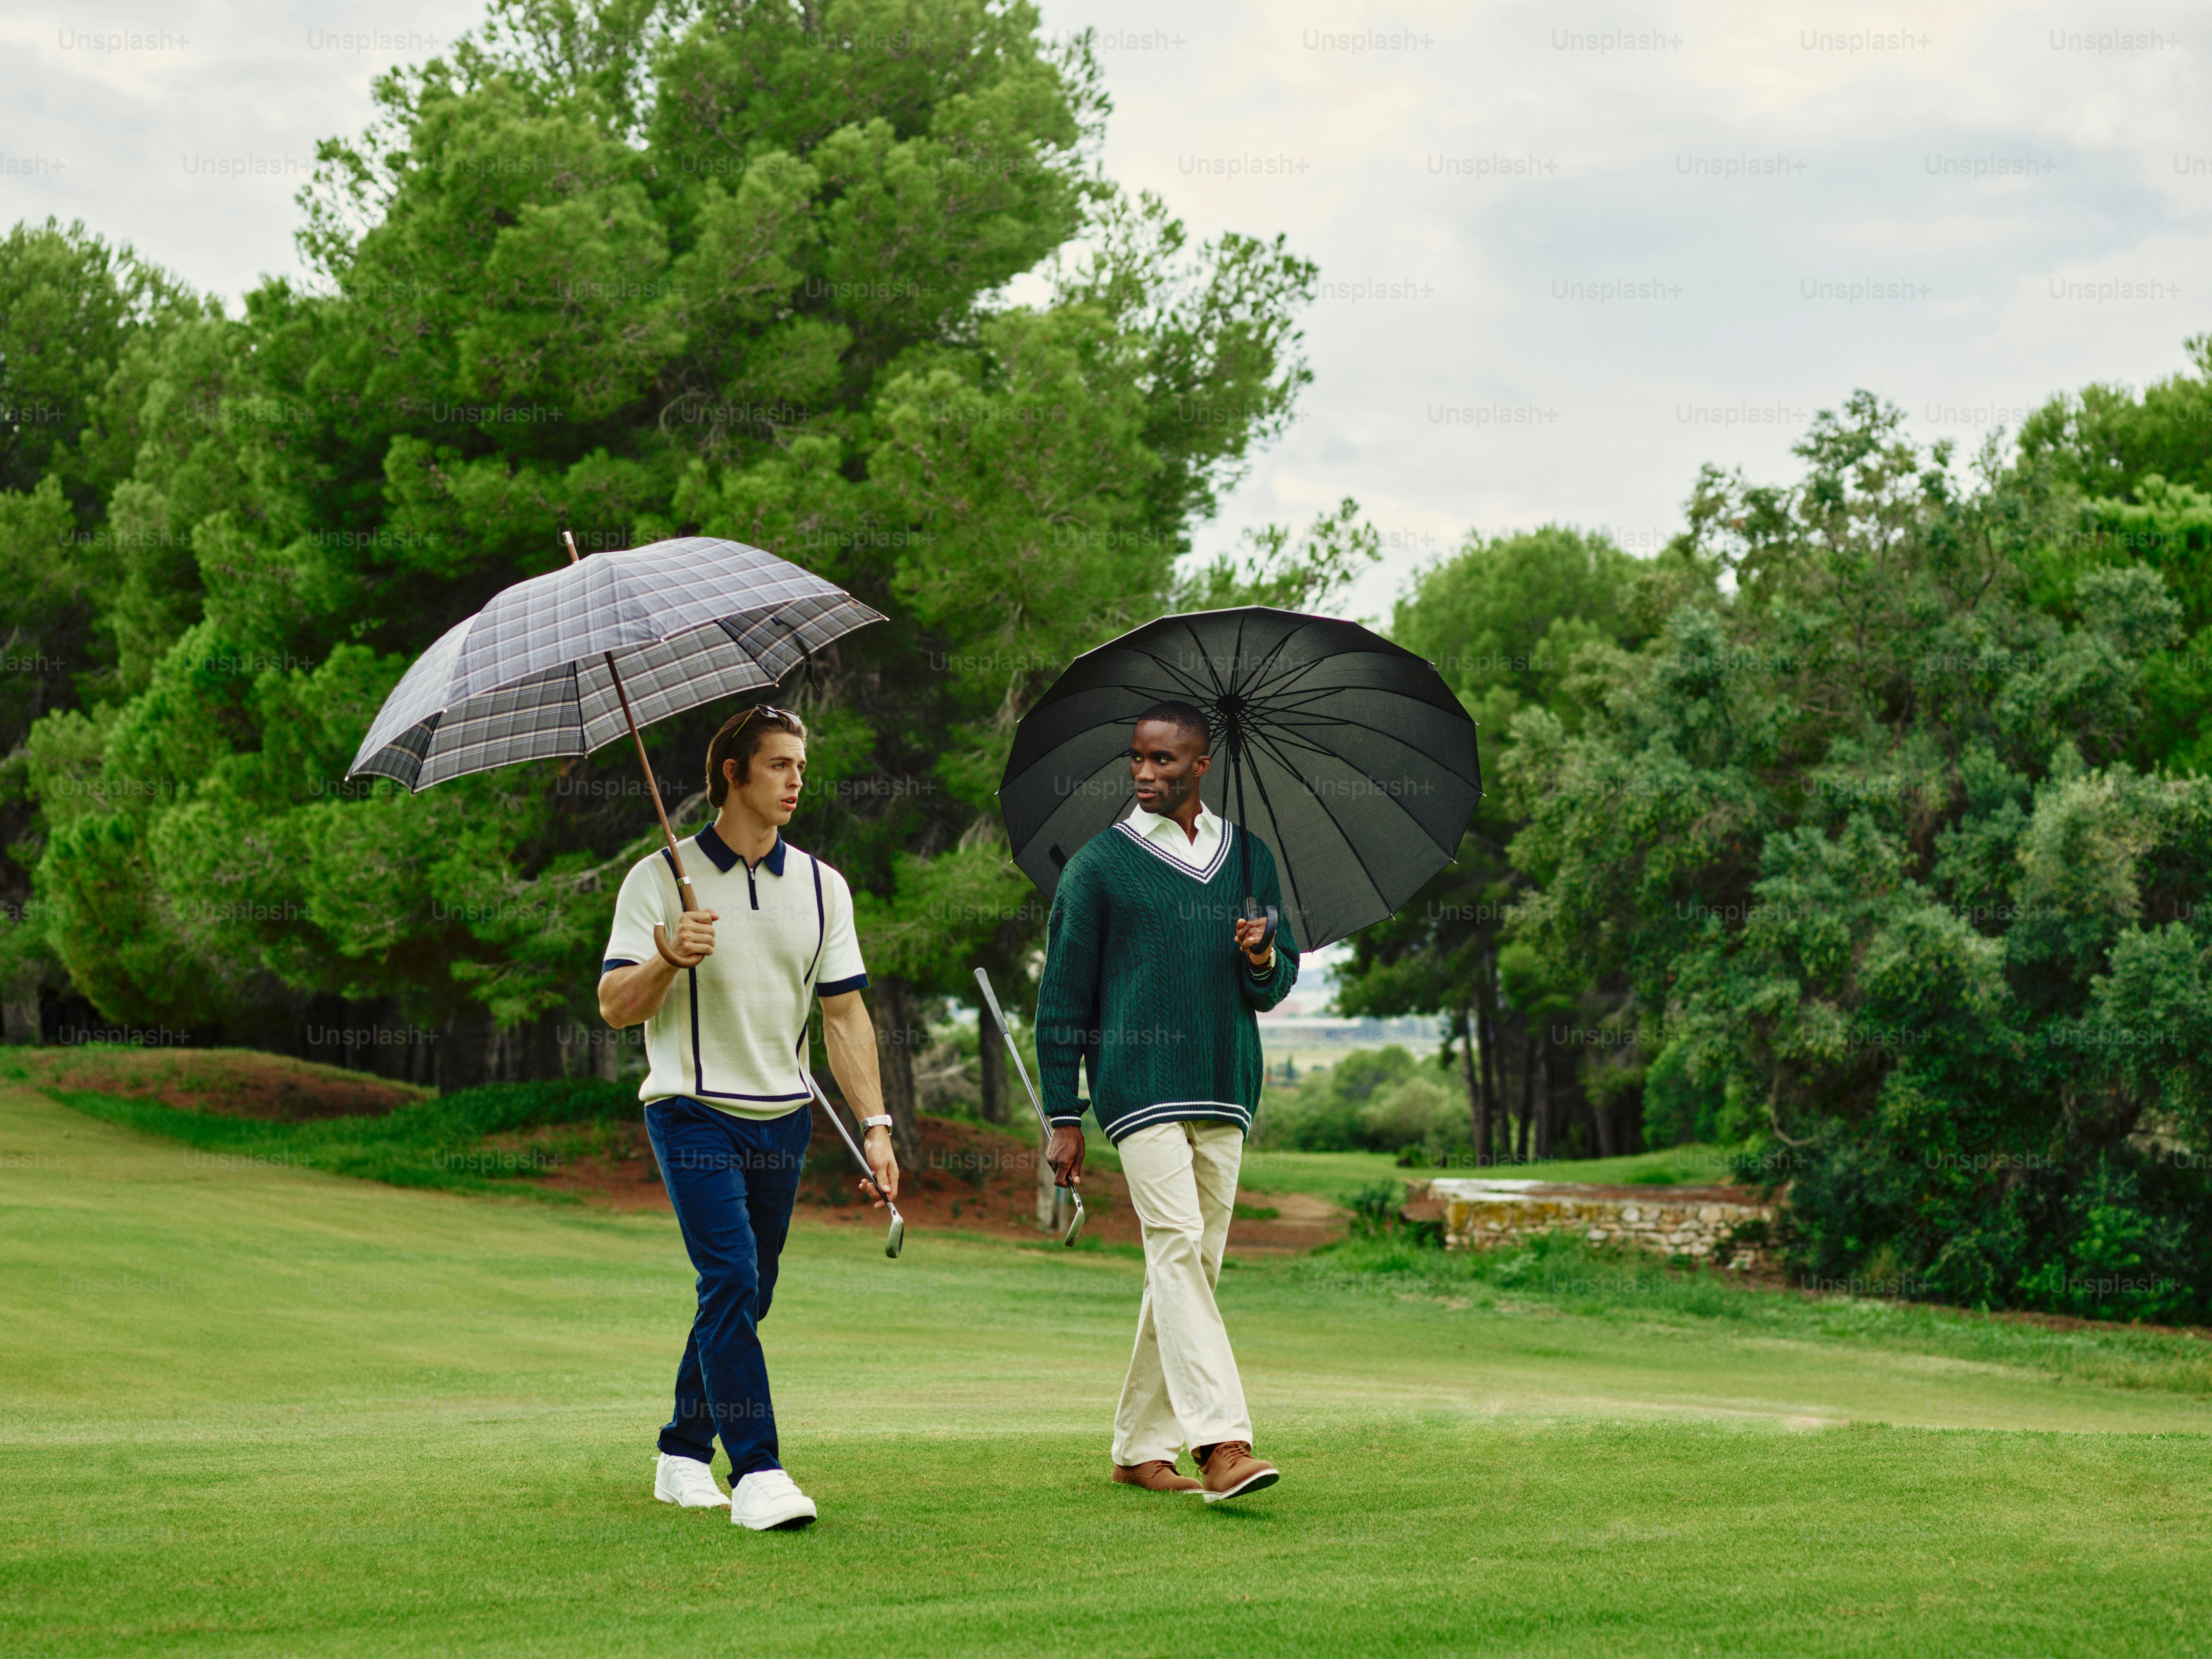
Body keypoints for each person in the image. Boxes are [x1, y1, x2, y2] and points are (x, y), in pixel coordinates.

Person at [599, 704, 897, 1531]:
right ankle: (759, 1471)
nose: (798, 780)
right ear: (732, 775)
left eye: (801, 765)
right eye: (779, 765)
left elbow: (843, 1018)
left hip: (784, 1118)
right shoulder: (657, 878)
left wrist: (876, 1126)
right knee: (729, 1279)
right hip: (691, 1110)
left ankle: (681, 1451)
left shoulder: (822, 885)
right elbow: (615, 1008)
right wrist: (667, 954)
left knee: (748, 1292)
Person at [1034, 700, 1298, 1503]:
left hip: (1226, 1085)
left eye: (1164, 762)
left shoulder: (1249, 858)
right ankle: (1223, 1443)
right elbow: (1061, 1002)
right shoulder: (1097, 868)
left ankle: (1136, 1449)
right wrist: (1063, 1114)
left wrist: (1261, 955)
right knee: (1178, 1245)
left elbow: (1275, 985)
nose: (1145, 774)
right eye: (1137, 760)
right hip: (1137, 1090)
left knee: (1191, 1266)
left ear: (1202, 766)